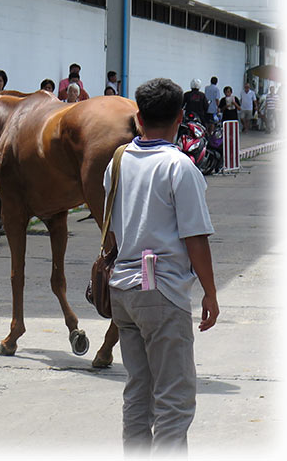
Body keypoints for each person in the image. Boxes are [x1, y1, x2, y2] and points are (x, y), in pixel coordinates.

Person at [107, 77, 219, 456]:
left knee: (138, 391)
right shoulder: (179, 166)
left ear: (138, 117)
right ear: (181, 118)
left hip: (122, 289)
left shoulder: (118, 161)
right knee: (174, 398)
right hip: (161, 291)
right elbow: (195, 238)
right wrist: (210, 292)